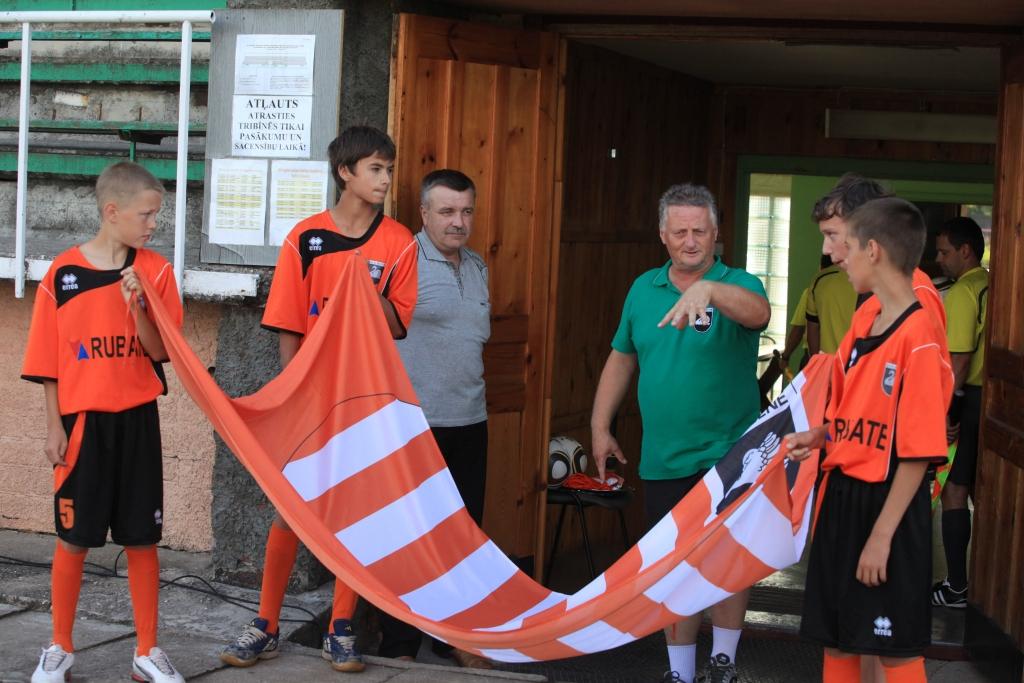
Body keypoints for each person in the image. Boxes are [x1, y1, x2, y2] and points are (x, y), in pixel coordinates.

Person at [220, 126, 417, 673]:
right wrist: (292, 392)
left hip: (365, 398)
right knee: (291, 510)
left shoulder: (399, 241)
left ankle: (342, 628)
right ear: (345, 172)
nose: (384, 180)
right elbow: (287, 321)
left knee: (352, 513)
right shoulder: (305, 237)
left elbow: (398, 325)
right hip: (311, 396)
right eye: (375, 169)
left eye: (388, 170)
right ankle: (264, 623)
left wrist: (365, 285)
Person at [592, 183, 770, 683]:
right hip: (664, 454)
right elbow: (622, 356)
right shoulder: (642, 288)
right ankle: (680, 671)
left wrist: (709, 289)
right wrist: (600, 425)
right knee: (674, 565)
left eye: (700, 231)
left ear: (716, 233)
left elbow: (760, 315)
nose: (691, 241)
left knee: (730, 561)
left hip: (731, 453)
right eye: (680, 232)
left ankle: (725, 663)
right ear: (663, 236)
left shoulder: (740, 282)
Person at [21, 162, 185, 683]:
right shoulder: (62, 275)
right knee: (74, 536)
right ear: (112, 212)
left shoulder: (156, 271)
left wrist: (139, 305)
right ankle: (60, 647)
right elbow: (48, 361)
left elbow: (162, 351)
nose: (153, 224)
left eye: (156, 215)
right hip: (82, 422)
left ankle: (147, 651)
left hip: (138, 419)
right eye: (147, 214)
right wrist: (54, 426)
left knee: (142, 538)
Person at [786, 197, 952, 683]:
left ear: (874, 250)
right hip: (843, 496)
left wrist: (881, 537)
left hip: (889, 509)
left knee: (894, 648)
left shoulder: (919, 333)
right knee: (838, 639)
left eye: (847, 245)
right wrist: (820, 435)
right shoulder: (866, 319)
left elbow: (918, 452)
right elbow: (857, 410)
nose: (837, 256)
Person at [379, 169, 493, 668]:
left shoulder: (478, 266)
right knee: (408, 538)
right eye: (446, 211)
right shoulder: (403, 262)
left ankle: (454, 636)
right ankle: (399, 646)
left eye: (466, 211)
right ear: (423, 213)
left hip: (471, 420)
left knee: (462, 537)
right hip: (414, 424)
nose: (458, 221)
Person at [931, 217, 988, 608]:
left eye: (944, 252)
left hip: (968, 400)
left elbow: (960, 362)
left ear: (965, 250)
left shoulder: (966, 291)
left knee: (954, 490)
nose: (939, 260)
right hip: (994, 401)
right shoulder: (991, 283)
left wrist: (944, 415)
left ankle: (957, 587)